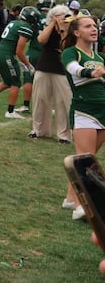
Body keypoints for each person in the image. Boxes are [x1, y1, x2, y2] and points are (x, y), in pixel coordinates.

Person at [61, 14, 105, 221]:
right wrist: (90, 74)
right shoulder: (71, 52)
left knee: (88, 158)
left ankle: (70, 198)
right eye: (88, 26)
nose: (94, 29)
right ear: (77, 32)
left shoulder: (99, 57)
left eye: (95, 26)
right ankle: (80, 207)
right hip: (85, 111)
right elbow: (73, 70)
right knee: (85, 161)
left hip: (103, 112)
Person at [0, 6, 40, 119]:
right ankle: (10, 111)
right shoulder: (25, 27)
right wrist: (28, 65)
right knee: (16, 83)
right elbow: (19, 51)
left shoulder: (15, 23)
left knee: (7, 82)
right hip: (6, 55)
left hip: (0, 53)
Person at [30, 3, 72, 142]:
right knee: (40, 99)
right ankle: (39, 130)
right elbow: (41, 40)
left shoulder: (70, 30)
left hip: (62, 70)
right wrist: (53, 23)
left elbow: (65, 46)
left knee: (63, 103)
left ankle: (64, 135)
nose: (61, 18)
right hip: (44, 66)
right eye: (57, 15)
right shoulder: (48, 27)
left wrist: (62, 28)